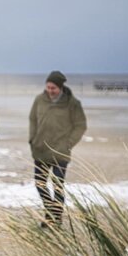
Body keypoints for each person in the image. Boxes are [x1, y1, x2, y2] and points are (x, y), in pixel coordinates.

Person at [29, 71, 87, 225]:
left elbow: (81, 126)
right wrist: (32, 140)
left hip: (60, 152)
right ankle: (50, 213)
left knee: (58, 186)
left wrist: (68, 144)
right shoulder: (39, 100)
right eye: (48, 87)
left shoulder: (73, 103)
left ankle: (56, 218)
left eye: (53, 88)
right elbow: (32, 119)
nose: (50, 90)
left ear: (60, 87)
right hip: (40, 150)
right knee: (40, 184)